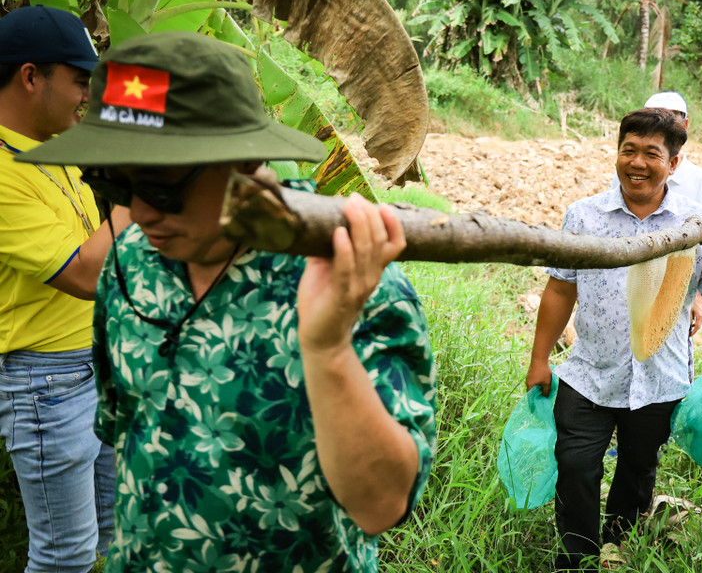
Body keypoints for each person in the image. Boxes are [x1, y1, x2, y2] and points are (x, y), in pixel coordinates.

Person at [17, 30, 437, 573]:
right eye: (116, 185)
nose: (140, 213)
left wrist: (329, 350)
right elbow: (128, 435)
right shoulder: (130, 265)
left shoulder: (347, 280)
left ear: (244, 159)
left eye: (162, 186)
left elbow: (381, 506)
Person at [526, 108, 702, 570]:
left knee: (637, 471)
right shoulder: (585, 215)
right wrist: (540, 359)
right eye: (628, 150)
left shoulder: (695, 222)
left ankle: (618, 548)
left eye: (651, 153)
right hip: (589, 373)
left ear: (673, 163)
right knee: (575, 466)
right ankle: (577, 560)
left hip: (658, 379)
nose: (637, 162)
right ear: (617, 153)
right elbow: (560, 289)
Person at [0, 5, 130, 573]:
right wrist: (143, 186)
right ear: (31, 77)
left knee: (113, 538)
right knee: (65, 557)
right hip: (46, 385)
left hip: (95, 363)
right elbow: (84, 273)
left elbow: (146, 96)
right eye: (80, 80)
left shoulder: (54, 148)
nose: (88, 95)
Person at [643, 91, 702, 377]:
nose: (660, 125)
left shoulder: (699, 180)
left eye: (670, 119)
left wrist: (698, 297)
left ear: (684, 126)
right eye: (653, 118)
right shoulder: (631, 169)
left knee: (671, 354)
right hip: (636, 279)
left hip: (679, 284)